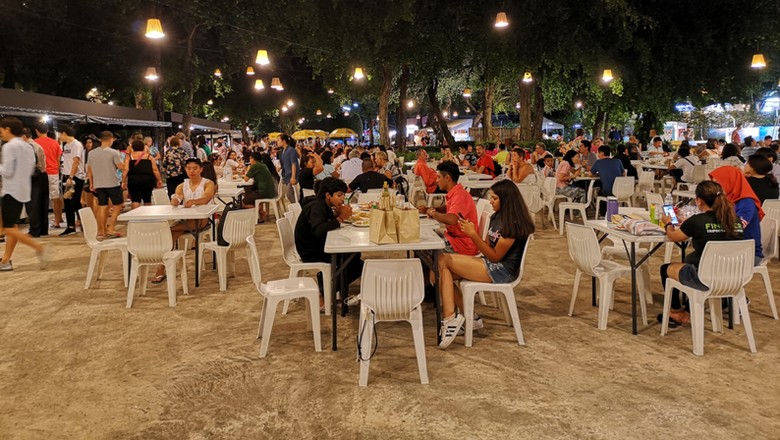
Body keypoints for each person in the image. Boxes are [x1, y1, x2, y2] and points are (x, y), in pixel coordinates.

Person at [436, 180, 534, 348]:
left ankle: (450, 319)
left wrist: (473, 235)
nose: (491, 201)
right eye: (490, 197)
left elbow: (495, 257)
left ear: (506, 199)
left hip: (502, 271)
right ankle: (468, 318)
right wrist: (473, 233)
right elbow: (487, 247)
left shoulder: (514, 224)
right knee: (440, 270)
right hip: (490, 263)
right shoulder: (496, 216)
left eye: (494, 198)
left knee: (443, 260)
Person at [659, 181, 744, 326]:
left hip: (705, 277)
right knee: (690, 260)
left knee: (665, 269)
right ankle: (688, 310)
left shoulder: (697, 221)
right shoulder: (734, 220)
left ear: (699, 201)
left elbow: (674, 236)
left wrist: (668, 223)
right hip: (733, 277)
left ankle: (677, 311)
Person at [295, 177, 363, 309]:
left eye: (343, 195)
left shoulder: (322, 204)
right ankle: (325, 292)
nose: (342, 198)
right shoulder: (316, 207)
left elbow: (323, 225)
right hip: (311, 251)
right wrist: (341, 217)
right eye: (339, 195)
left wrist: (335, 215)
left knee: (354, 255)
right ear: (327, 195)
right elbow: (319, 229)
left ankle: (326, 282)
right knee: (356, 263)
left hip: (316, 245)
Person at [152, 158, 215, 283]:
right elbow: (178, 196)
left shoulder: (208, 183)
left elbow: (206, 198)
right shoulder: (182, 185)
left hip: (202, 219)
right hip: (185, 219)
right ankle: (163, 265)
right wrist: (175, 201)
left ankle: (161, 266)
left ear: (201, 169)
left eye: (195, 168)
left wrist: (194, 202)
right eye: (189, 168)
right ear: (185, 170)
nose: (192, 171)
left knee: (169, 232)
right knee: (171, 233)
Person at [0, 117, 46, 271]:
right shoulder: (27, 146)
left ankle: (38, 247)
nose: (1, 134)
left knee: (8, 228)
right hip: (23, 189)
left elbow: (6, 171)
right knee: (11, 225)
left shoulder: (9, 147)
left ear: (7, 129)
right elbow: (32, 167)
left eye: (1, 130)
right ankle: (6, 259)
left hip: (10, 190)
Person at [418, 161, 478, 256]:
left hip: (462, 245)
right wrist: (430, 209)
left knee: (424, 247)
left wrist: (433, 213)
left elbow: (452, 219)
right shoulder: (455, 192)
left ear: (447, 178)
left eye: (439, 177)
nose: (436, 180)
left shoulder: (460, 195)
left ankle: (436, 270)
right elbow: (448, 208)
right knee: (423, 238)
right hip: (453, 238)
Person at [709, 166, 763, 265]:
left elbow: (737, 227)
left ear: (731, 182)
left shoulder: (746, 202)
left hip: (748, 253)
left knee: (702, 261)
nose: (714, 188)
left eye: (718, 183)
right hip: (731, 247)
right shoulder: (726, 199)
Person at [88, 131, 126, 238]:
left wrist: (91, 183)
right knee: (117, 205)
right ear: (111, 139)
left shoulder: (92, 153)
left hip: (98, 183)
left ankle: (101, 231)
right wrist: (126, 163)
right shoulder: (113, 152)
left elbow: (89, 170)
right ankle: (111, 228)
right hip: (112, 182)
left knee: (102, 206)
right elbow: (120, 167)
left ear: (100, 139)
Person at [57, 125, 86, 236]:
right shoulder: (66, 145)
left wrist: (71, 177)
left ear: (64, 133)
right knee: (67, 202)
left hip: (76, 177)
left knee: (75, 201)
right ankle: (71, 226)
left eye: (60, 134)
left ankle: (83, 222)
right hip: (66, 175)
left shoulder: (76, 144)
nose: (60, 137)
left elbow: (76, 161)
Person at [34, 122, 62, 230]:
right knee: (55, 197)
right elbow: (58, 158)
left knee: (39, 199)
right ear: (47, 130)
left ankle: (40, 222)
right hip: (54, 172)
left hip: (41, 173)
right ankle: (57, 221)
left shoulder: (35, 143)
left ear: (36, 131)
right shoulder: (54, 143)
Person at [21, 128, 48, 238]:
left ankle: (34, 231)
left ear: (23, 136)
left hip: (34, 177)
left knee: (33, 205)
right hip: (42, 175)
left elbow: (30, 164)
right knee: (42, 204)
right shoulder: (36, 145)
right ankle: (42, 230)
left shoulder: (28, 146)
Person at [123, 140, 162, 209]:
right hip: (147, 179)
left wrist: (123, 181)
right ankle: (146, 217)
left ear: (132, 148)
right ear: (143, 147)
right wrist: (159, 180)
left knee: (135, 199)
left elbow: (126, 170)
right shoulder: (149, 157)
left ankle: (135, 217)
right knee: (147, 199)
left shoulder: (129, 157)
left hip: (134, 179)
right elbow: (155, 170)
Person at [242, 152, 276, 222]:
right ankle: (261, 213)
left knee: (243, 203)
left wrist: (248, 169)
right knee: (248, 191)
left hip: (264, 191)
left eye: (250, 158)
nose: (249, 159)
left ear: (253, 159)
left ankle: (262, 213)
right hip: (269, 190)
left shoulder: (255, 166)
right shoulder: (263, 165)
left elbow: (246, 179)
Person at [279, 134, 300, 203]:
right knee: (288, 194)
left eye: (278, 140)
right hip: (286, 175)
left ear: (284, 141)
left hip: (291, 175)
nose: (277, 142)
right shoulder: (282, 151)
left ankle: (297, 207)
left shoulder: (291, 150)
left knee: (289, 194)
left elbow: (293, 164)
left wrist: (293, 177)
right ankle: (295, 207)